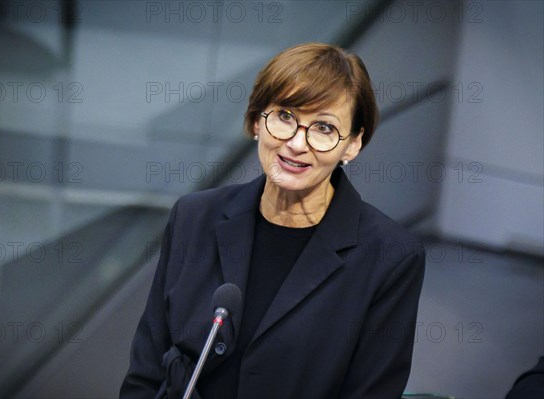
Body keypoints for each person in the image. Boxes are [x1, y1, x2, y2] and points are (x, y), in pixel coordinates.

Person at [120, 42, 426, 399]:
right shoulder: (194, 217)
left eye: (324, 128)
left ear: (353, 144)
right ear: (255, 121)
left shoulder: (391, 257)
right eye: (284, 116)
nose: (297, 143)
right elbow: (146, 373)